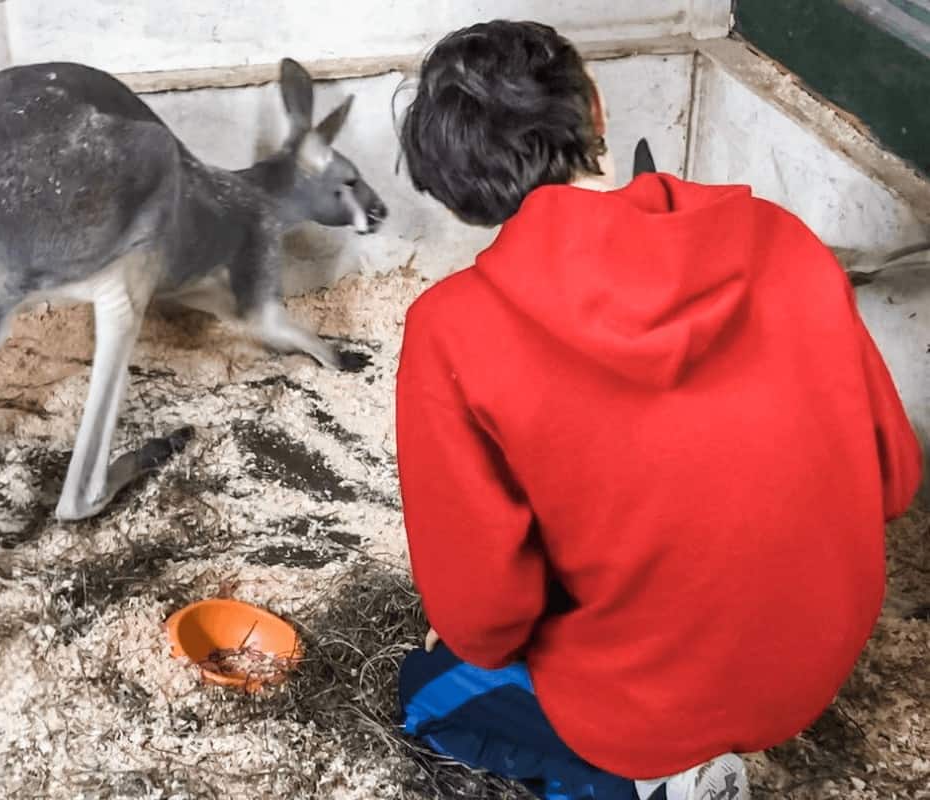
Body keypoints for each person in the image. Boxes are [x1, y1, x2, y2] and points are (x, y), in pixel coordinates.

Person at [393, 19, 922, 800]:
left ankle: (646, 783)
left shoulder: (451, 330)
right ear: (597, 108)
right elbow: (895, 479)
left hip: (646, 706)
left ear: (457, 192)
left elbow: (484, 618)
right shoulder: (782, 237)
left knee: (427, 693)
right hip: (816, 662)